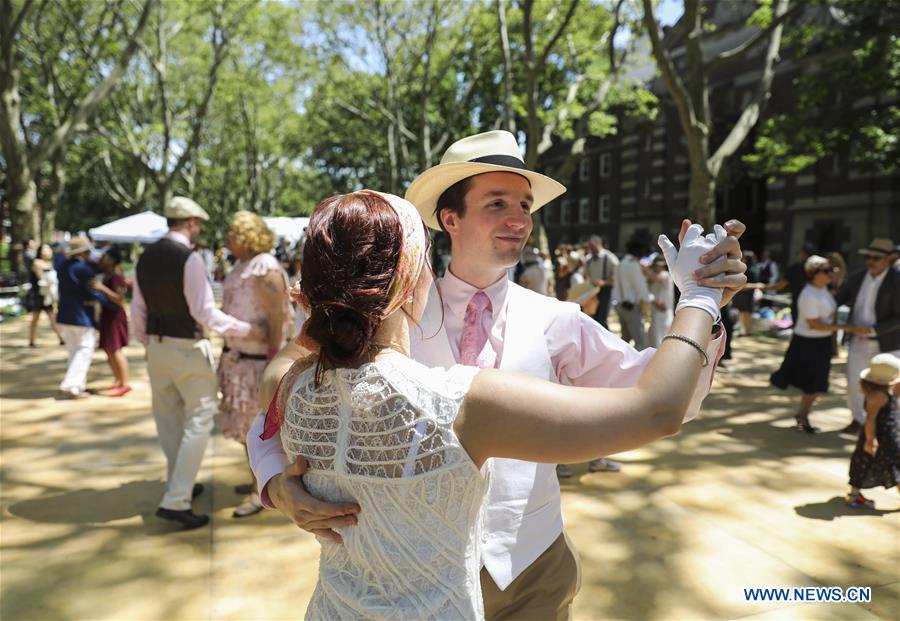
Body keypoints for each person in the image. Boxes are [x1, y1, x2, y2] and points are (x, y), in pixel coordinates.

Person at [248, 131, 747, 620]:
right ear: (449, 218)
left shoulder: (560, 319)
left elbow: (664, 397)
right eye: (496, 203)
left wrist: (707, 311)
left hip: (532, 566)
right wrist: (275, 480)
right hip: (414, 571)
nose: (518, 219)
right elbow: (283, 386)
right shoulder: (388, 310)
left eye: (526, 206)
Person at [131, 196, 263, 530]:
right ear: (191, 223)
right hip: (187, 347)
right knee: (198, 421)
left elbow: (138, 314)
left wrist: (151, 345)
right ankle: (176, 499)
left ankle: (181, 484)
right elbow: (204, 312)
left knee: (169, 420)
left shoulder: (143, 258)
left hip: (157, 349)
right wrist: (248, 330)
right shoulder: (188, 259)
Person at [218, 211, 291, 517]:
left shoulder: (265, 267)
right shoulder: (242, 266)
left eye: (233, 234)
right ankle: (256, 476)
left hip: (257, 362)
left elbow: (277, 316)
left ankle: (256, 488)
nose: (228, 240)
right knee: (245, 424)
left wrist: (272, 358)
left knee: (255, 426)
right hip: (239, 360)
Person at [770, 256, 868, 433]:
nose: (830, 274)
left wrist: (836, 272)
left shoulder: (824, 290)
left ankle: (802, 414)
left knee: (817, 384)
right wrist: (847, 327)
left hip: (820, 342)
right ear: (814, 274)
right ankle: (803, 415)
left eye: (831, 270)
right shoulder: (808, 294)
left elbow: (839, 280)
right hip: (808, 343)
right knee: (813, 384)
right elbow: (813, 324)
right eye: (826, 271)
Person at [834, 238, 900, 435]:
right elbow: (836, 299)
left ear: (888, 259)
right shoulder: (858, 277)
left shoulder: (897, 280)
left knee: (890, 388)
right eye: (868, 257)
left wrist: (874, 330)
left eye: (876, 258)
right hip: (858, 340)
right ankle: (858, 419)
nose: (871, 261)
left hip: (888, 342)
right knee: (855, 382)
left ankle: (888, 426)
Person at [56, 237, 109, 399]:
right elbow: (92, 291)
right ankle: (71, 385)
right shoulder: (83, 269)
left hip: (65, 313)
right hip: (81, 315)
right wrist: (110, 302)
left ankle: (77, 385)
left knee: (74, 350)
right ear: (84, 252)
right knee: (85, 349)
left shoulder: (63, 267)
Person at [846, 353, 900, 509]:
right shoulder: (877, 395)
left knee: (871, 462)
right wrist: (870, 441)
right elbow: (870, 419)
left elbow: (896, 394)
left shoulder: (882, 389)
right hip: (879, 436)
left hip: (888, 433)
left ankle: (854, 494)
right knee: (892, 464)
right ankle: (853, 495)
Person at [91, 247, 131, 397]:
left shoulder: (116, 277)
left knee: (115, 350)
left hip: (115, 317)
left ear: (112, 260)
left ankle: (125, 383)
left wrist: (102, 288)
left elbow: (120, 299)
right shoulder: (107, 276)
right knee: (109, 350)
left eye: (105, 257)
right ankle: (118, 380)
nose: (102, 259)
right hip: (108, 315)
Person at [613, 239, 653, 350]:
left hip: (619, 304)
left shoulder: (620, 263)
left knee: (624, 339)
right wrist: (649, 301)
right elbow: (641, 288)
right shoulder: (633, 265)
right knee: (639, 341)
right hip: (631, 306)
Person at [26, 243, 64, 347]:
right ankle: (32, 339)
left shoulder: (50, 263)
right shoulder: (37, 263)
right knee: (35, 318)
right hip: (38, 294)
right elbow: (42, 279)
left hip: (48, 294)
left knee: (52, 317)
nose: (46, 251)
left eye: (48, 249)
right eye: (44, 249)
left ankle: (61, 338)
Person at [584, 235, 618, 329]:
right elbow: (585, 274)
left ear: (599, 244)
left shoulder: (609, 258)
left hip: (605, 290)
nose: (591, 249)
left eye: (592, 246)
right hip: (592, 292)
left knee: (602, 318)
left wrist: (604, 282)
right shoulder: (589, 259)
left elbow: (617, 275)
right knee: (594, 318)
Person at [647, 254, 675, 348]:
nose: (657, 267)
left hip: (663, 315)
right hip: (657, 313)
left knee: (659, 344)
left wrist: (642, 268)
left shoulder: (665, 274)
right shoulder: (655, 278)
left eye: (659, 265)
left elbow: (657, 278)